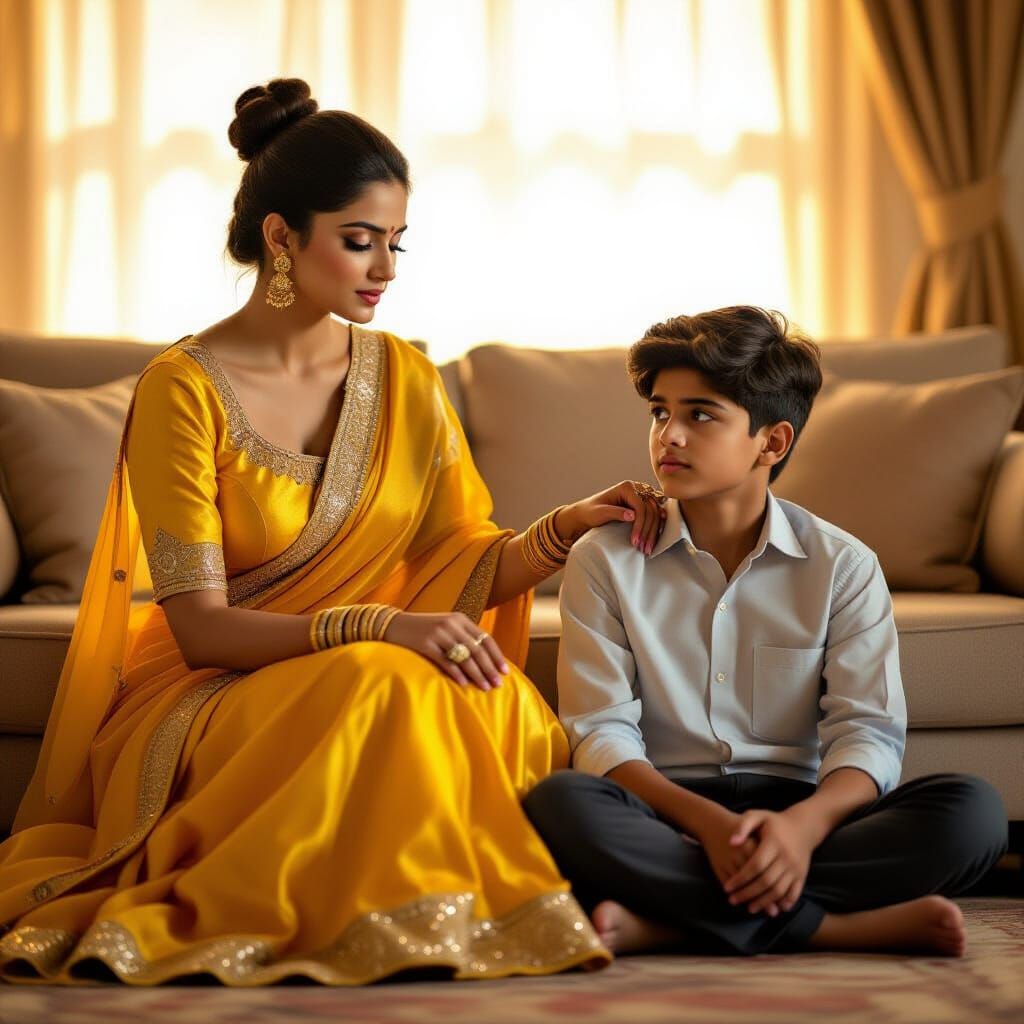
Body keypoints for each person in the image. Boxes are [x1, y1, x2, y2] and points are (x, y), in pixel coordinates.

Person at [0, 78, 667, 985]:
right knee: (384, 683)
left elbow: (458, 562)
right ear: (281, 237)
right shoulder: (182, 391)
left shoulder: (406, 378)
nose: (386, 268)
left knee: (482, 692)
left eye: (397, 242)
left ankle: (429, 917)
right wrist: (376, 625)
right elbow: (200, 629)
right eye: (360, 241)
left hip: (369, 671)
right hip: (219, 687)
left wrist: (565, 528)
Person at [523, 306, 1008, 958]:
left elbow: (866, 733)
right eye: (660, 413)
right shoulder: (604, 558)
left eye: (700, 415)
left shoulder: (843, 566)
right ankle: (833, 928)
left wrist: (800, 832)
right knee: (560, 804)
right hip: (666, 811)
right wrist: (710, 827)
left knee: (973, 814)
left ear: (772, 443)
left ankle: (667, 924)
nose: (669, 435)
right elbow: (599, 732)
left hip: (802, 813)